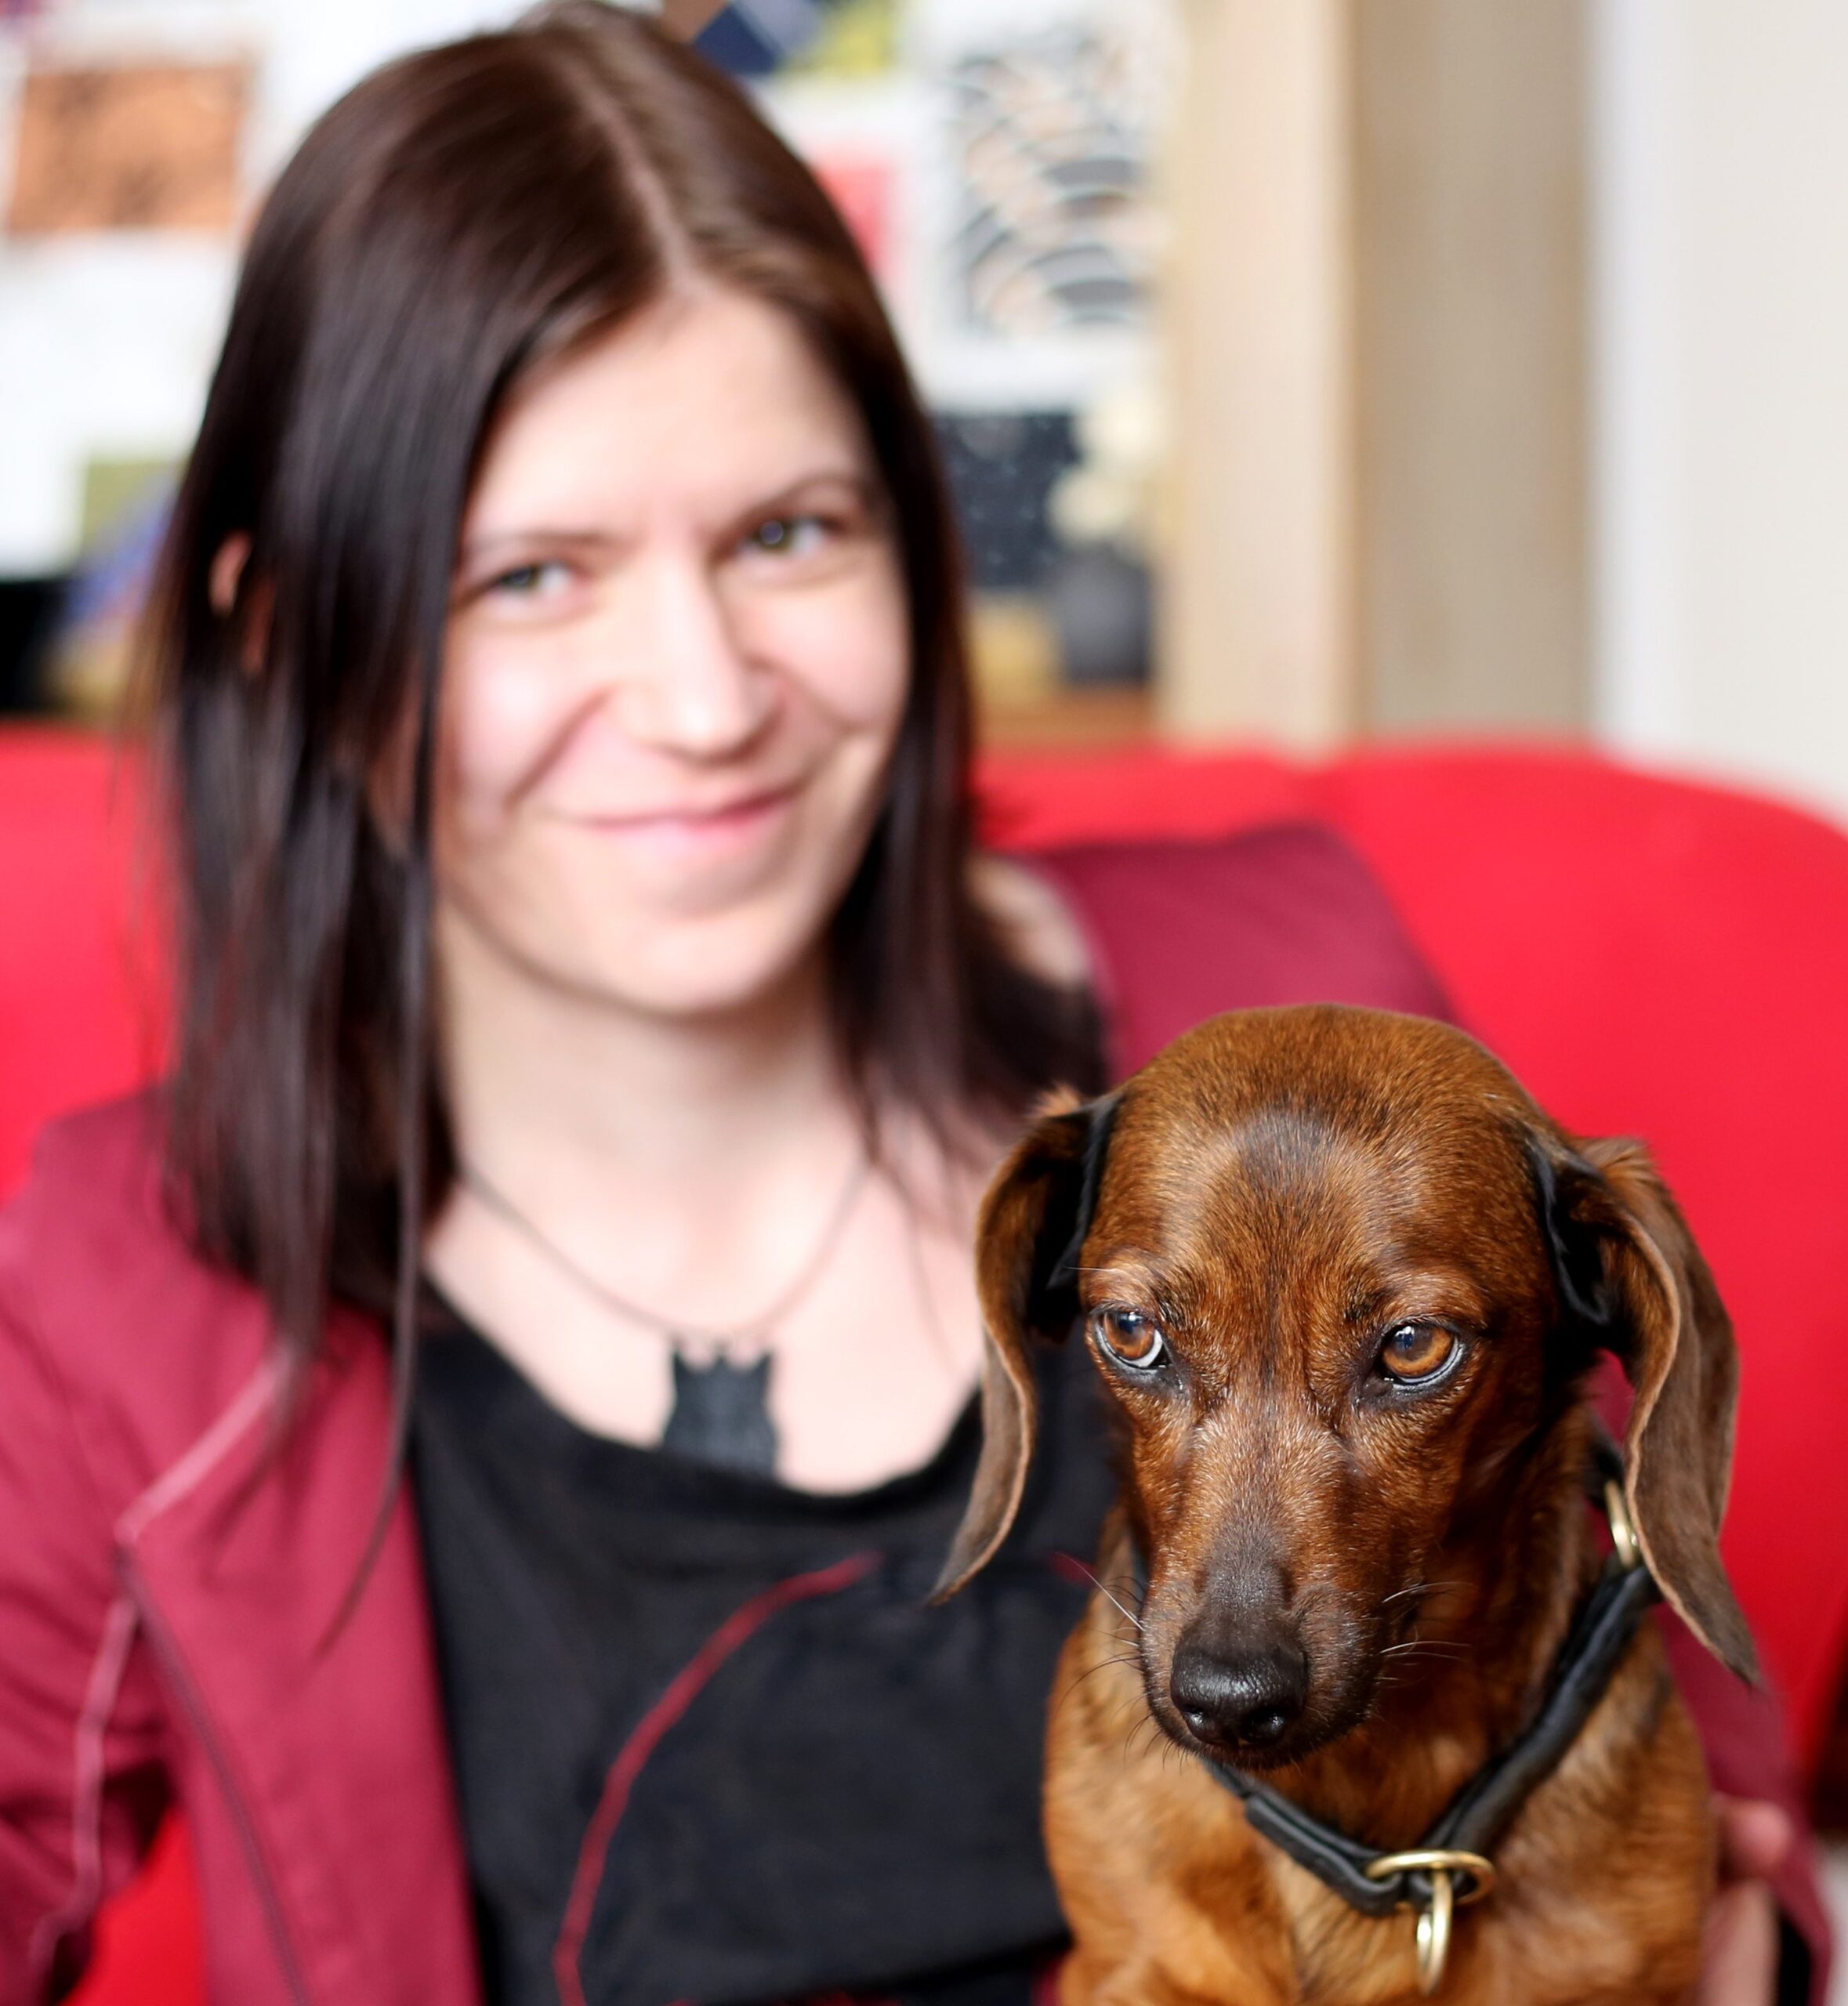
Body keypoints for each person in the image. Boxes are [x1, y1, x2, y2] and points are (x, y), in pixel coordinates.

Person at [0, 7, 1823, 2004]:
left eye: (788, 533)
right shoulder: (134, 1279)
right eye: (529, 576)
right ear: (297, 646)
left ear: (916, 548)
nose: (704, 698)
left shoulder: (1290, 993)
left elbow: (1656, 1745)